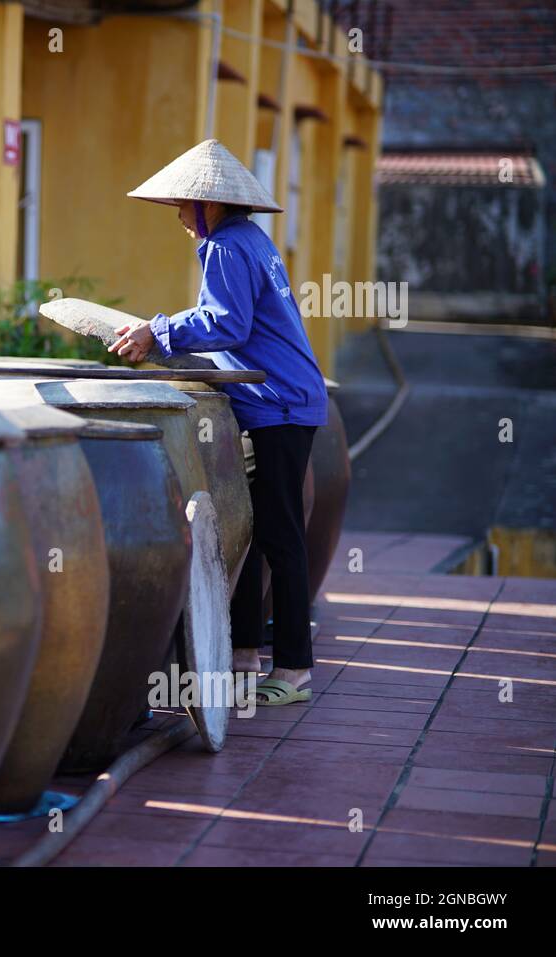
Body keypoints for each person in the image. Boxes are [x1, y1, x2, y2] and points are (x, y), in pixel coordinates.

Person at [109, 139, 327, 706]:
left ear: (209, 206)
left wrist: (159, 331)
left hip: (279, 404)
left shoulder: (227, 247)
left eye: (183, 206)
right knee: (252, 531)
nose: (180, 217)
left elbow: (225, 323)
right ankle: (243, 656)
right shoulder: (250, 240)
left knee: (281, 535)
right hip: (278, 400)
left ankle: (296, 671)